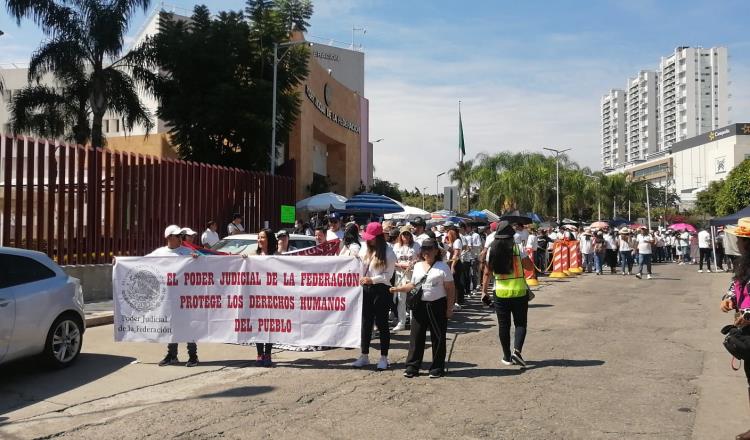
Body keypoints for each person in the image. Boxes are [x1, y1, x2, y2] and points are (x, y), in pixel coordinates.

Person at [390, 238, 455, 378]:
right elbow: (413, 285)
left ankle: (437, 368)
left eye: (430, 249)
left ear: (436, 251)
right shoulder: (418, 266)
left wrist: (449, 308)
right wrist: (399, 289)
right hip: (420, 305)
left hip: (437, 305)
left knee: (438, 337)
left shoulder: (443, 267)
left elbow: (450, 289)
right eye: (424, 249)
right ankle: (412, 367)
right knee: (416, 337)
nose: (427, 252)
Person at [481, 221, 530, 368]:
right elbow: (529, 267)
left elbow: (486, 273)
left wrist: (484, 291)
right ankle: (517, 351)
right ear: (510, 236)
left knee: (504, 325)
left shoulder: (491, 251)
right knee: (520, 323)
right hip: (520, 292)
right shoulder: (518, 249)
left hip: (500, 293)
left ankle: (507, 357)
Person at [151, 225, 200, 367]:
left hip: (186, 297)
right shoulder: (159, 253)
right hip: (169, 298)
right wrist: (119, 262)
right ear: (169, 238)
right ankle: (172, 355)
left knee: (188, 326)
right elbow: (141, 263)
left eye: (181, 236)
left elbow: (203, 265)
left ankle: (193, 356)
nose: (180, 238)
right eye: (177, 236)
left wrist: (197, 259)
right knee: (171, 326)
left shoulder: (188, 252)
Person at [719, 217, 750, 440]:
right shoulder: (743, 263)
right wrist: (728, 298)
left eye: (740, 239)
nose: (737, 243)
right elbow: (735, 284)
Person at [351, 222, 396, 370]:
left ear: (378, 237)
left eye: (371, 238)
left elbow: (388, 275)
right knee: (365, 322)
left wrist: (372, 279)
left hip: (382, 290)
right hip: (366, 289)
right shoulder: (365, 248)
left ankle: (384, 357)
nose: (367, 240)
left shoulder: (389, 252)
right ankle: (364, 355)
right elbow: (360, 265)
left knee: (382, 323)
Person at [252, 228, 278, 367]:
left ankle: (267, 353)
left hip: (272, 296)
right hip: (257, 296)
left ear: (269, 239)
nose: (259, 240)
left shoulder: (277, 255)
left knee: (269, 326)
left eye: (262, 237)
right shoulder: (253, 255)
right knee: (258, 325)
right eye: (258, 237)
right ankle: (259, 354)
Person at [392, 226, 421, 332]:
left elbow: (421, 258)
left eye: (408, 234)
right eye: (404, 234)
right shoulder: (396, 246)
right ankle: (401, 322)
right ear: (400, 235)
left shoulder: (416, 245)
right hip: (400, 275)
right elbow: (392, 261)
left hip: (413, 276)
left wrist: (413, 263)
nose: (406, 236)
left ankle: (414, 321)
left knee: (413, 299)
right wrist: (400, 265)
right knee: (401, 299)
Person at [445, 226, 465, 310]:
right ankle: (453, 301)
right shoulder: (452, 242)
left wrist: (452, 266)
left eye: (448, 234)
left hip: (455, 263)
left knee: (455, 283)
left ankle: (456, 302)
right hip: (450, 262)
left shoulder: (457, 241)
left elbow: (456, 255)